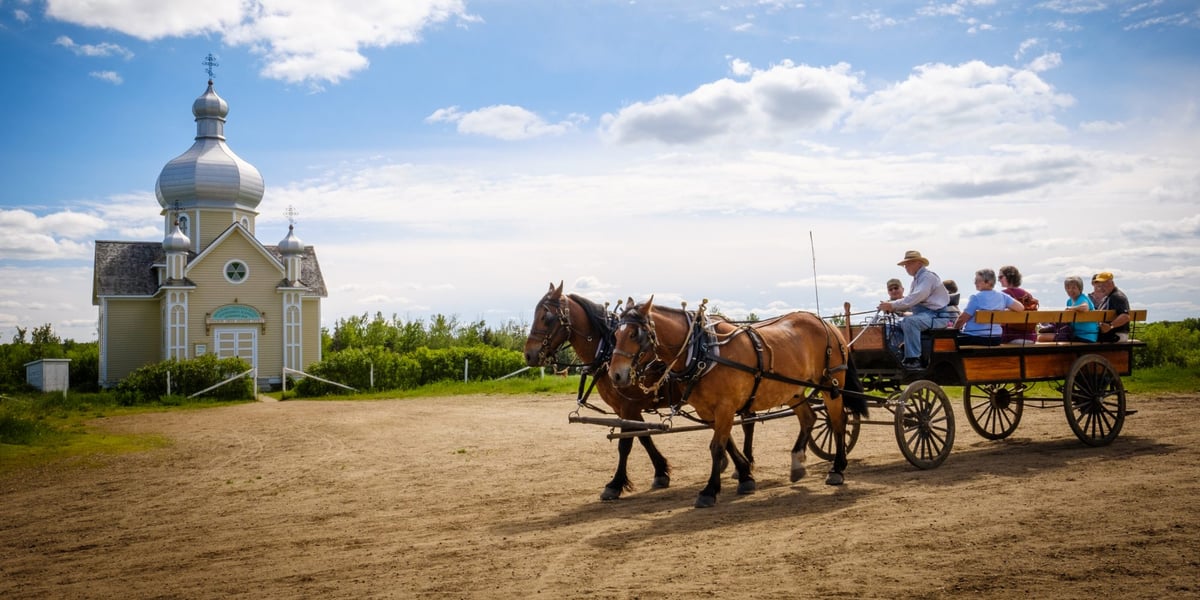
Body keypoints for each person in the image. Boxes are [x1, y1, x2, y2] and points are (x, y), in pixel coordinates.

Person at [878, 250, 953, 370]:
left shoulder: (928, 277)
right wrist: (891, 307)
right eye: (905, 265)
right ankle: (896, 353)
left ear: (919, 263)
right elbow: (911, 303)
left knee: (910, 322)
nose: (906, 267)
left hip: (937, 316)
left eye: (908, 264)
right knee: (887, 325)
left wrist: (892, 305)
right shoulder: (916, 280)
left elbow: (915, 298)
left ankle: (913, 359)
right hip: (923, 316)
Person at [954, 268, 1024, 346]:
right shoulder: (1003, 297)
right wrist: (1001, 312)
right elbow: (1020, 308)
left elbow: (962, 318)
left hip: (974, 337)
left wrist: (954, 330)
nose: (975, 283)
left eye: (978, 280)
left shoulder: (976, 298)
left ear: (988, 282)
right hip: (995, 339)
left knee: (950, 340)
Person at [1037, 276, 1098, 343]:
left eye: (1073, 288)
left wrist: (1071, 308)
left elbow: (1085, 308)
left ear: (1080, 289)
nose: (1070, 290)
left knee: (1041, 338)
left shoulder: (1082, 298)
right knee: (1043, 336)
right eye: (1068, 288)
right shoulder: (1069, 301)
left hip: (1085, 336)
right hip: (1075, 334)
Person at [998, 265, 1039, 344]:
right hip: (1031, 338)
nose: (998, 280)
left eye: (1000, 277)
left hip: (1011, 338)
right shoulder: (1027, 295)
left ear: (1008, 277)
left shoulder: (1003, 295)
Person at [1091, 271, 1131, 342]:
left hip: (1116, 335)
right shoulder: (1110, 297)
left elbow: (1125, 316)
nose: (1101, 288)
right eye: (1100, 285)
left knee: (1085, 338)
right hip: (1112, 334)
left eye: (1104, 285)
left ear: (1112, 283)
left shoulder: (1117, 296)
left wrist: (1110, 326)